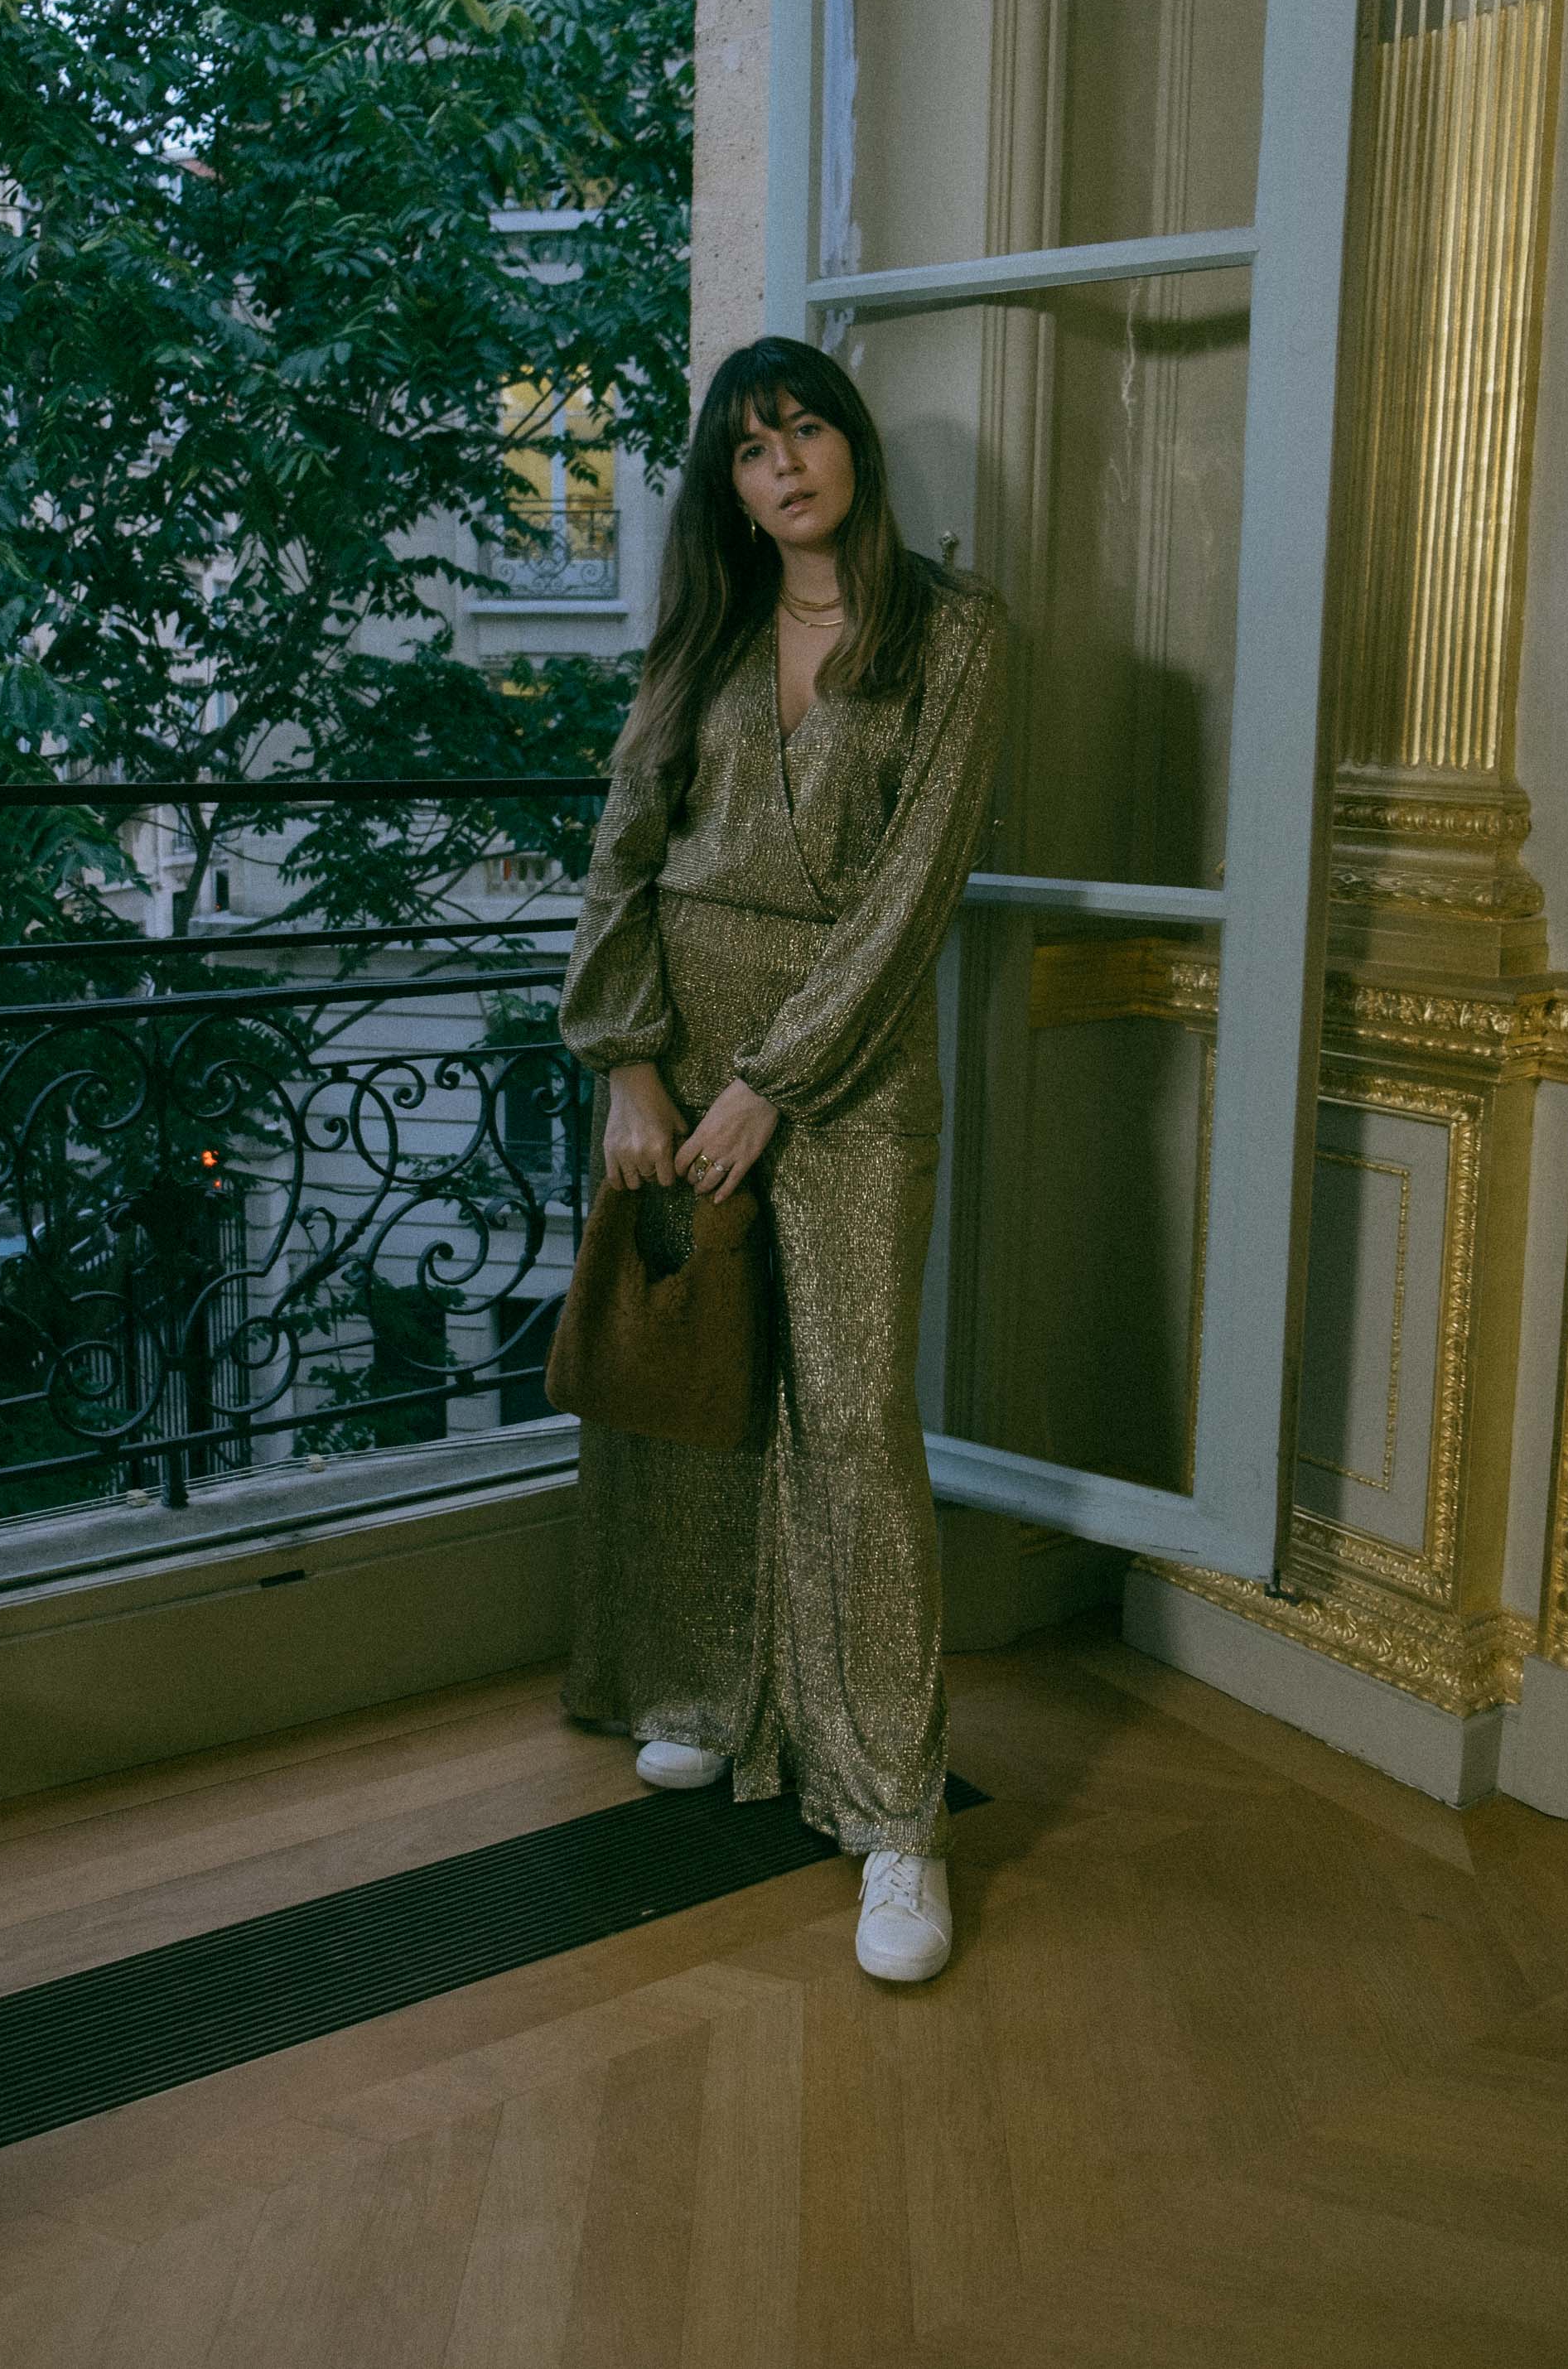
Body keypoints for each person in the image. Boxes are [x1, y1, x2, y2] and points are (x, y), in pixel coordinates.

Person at [557, 335, 1006, 1983]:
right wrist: (627, 1068)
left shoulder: (952, 636)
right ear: (729, 491)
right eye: (748, 452)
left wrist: (773, 1081)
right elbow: (622, 847)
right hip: (674, 1054)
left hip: (846, 1072)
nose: (781, 467)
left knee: (853, 1416)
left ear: (848, 446)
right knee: (695, 1386)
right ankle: (699, 1694)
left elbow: (910, 901)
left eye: (802, 429)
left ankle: (896, 1816)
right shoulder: (711, 636)